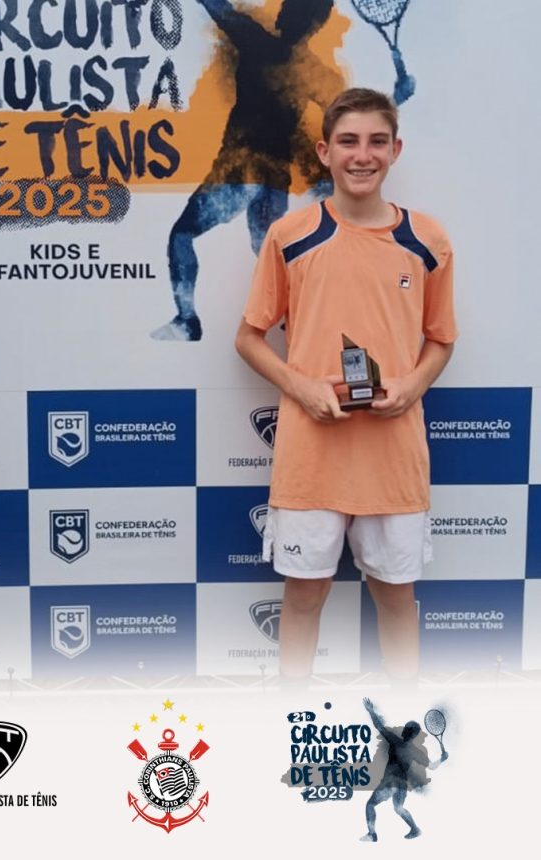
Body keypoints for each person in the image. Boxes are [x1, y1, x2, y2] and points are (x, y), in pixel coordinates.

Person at [235, 88, 457, 685]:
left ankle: (405, 723)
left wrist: (411, 385)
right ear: (324, 152)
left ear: (395, 150)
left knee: (396, 599)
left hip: (393, 458)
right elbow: (249, 338)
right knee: (305, 597)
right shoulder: (291, 235)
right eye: (349, 142)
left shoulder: (428, 240)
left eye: (377, 142)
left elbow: (441, 339)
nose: (363, 155)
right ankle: (291, 718)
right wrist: (303, 388)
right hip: (312, 458)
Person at [152, 0, 345, 341]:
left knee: (182, 234)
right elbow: (360, 114)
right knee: (270, 255)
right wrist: (398, 96)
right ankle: (299, 318)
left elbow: (218, 7)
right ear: (317, 26)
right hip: (275, 181)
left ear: (284, 15)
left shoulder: (255, 39)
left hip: (240, 170)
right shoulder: (314, 73)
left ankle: (187, 321)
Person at [360, 697, 446, 841]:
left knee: (370, 804)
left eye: (405, 728)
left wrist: (371, 711)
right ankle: (415, 829)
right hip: (401, 786)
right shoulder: (416, 752)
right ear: (415, 735)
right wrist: (442, 759)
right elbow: (432, 766)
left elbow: (379, 726)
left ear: (406, 732)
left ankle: (372, 834)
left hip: (390, 782)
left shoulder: (396, 741)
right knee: (398, 808)